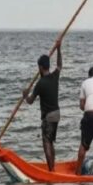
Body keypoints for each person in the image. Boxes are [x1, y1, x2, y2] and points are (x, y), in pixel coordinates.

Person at [22, 40, 62, 172]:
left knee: (46, 143)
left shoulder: (40, 83)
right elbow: (60, 65)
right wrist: (59, 49)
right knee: (51, 142)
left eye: (38, 66)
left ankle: (51, 171)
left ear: (40, 67)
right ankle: (53, 167)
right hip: (57, 114)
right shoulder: (55, 76)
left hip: (49, 116)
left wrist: (25, 96)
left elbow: (30, 101)